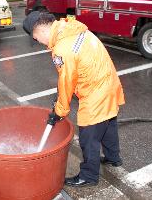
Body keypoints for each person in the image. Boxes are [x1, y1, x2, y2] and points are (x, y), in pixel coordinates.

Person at [23, 11, 125, 187]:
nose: (39, 43)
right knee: (108, 124)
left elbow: (67, 81)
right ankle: (113, 158)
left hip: (96, 93)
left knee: (88, 137)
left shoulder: (62, 49)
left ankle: (89, 176)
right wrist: (61, 93)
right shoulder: (72, 29)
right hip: (109, 85)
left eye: (35, 38)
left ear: (39, 30)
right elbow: (73, 72)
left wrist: (59, 111)